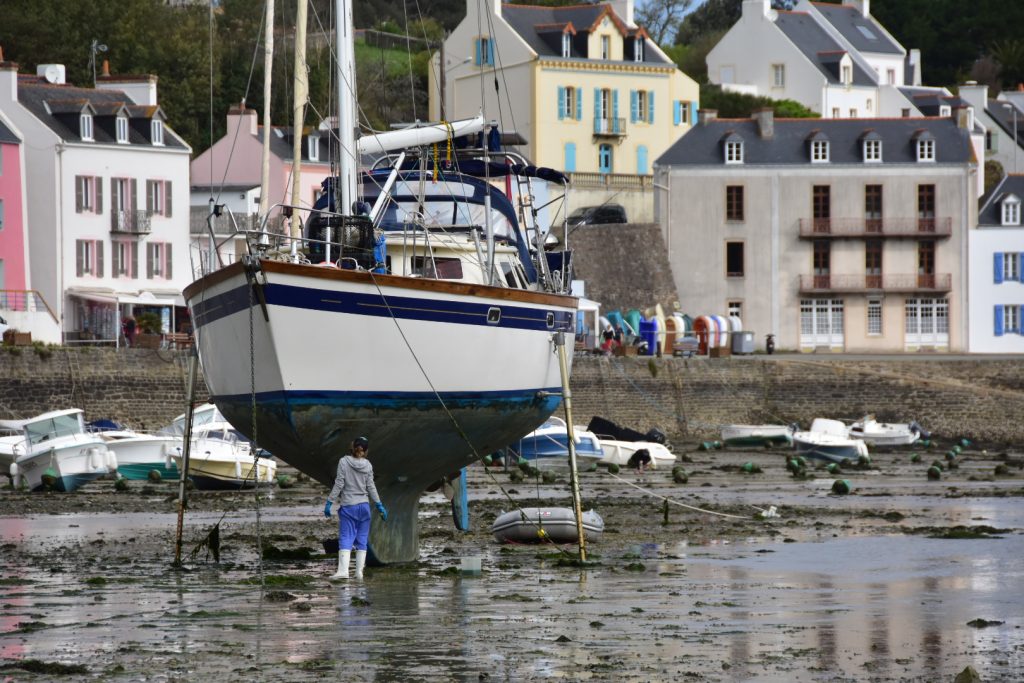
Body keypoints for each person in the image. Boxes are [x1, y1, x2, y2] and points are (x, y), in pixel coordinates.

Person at [323, 436, 387, 580]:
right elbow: (371, 486)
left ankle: (343, 572)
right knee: (362, 540)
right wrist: (379, 505)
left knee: (346, 538)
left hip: (349, 506)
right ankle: (359, 572)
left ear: (352, 447)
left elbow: (339, 484)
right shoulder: (368, 465)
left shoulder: (343, 462)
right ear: (366, 451)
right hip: (364, 507)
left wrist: (329, 502)